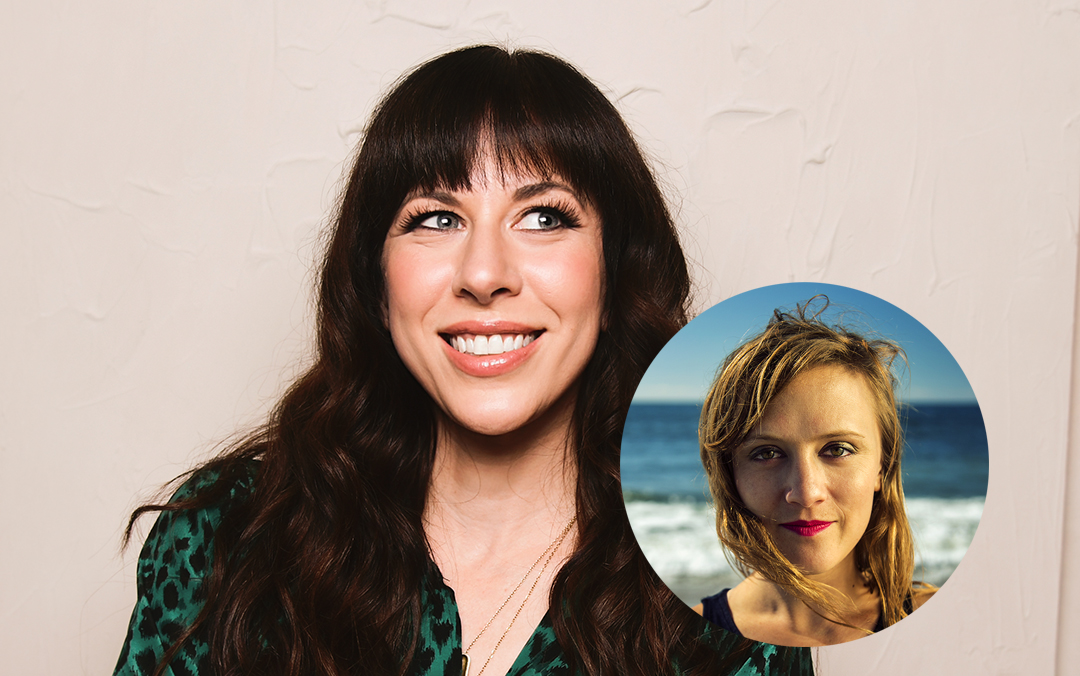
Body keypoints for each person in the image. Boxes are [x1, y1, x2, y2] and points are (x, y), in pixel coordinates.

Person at [113, 46, 812, 675]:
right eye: (436, 219)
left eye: (544, 217)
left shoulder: (739, 581)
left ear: (615, 274)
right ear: (377, 282)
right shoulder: (228, 540)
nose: (484, 274)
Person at [694, 298, 935, 646]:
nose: (806, 493)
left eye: (838, 449)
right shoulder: (680, 641)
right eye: (767, 453)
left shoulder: (950, 621)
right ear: (729, 475)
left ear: (882, 466)